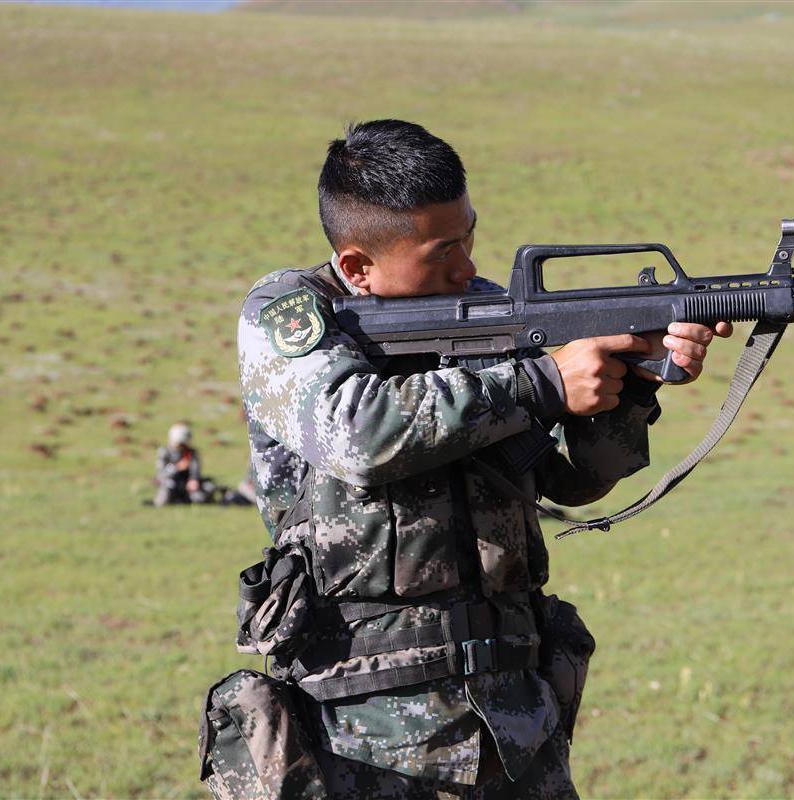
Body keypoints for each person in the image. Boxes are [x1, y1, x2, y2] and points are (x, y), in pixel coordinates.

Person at [203, 120, 732, 798]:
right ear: (358, 266)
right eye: (442, 250)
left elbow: (571, 482)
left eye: (470, 235)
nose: (467, 266)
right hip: (361, 730)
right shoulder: (294, 313)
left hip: (513, 718)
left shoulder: (488, 312)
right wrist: (541, 381)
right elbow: (357, 435)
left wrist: (628, 385)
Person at [153, 422, 210, 506]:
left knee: (201, 496)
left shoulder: (191, 453)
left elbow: (195, 469)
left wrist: (193, 479)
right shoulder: (164, 452)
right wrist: (177, 467)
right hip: (171, 482)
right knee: (164, 496)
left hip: (186, 483)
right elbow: (161, 473)